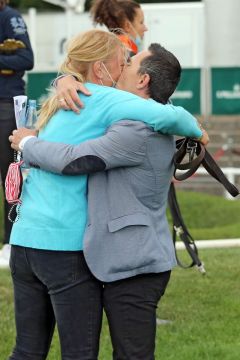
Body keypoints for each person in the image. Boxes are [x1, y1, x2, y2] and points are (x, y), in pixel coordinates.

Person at [9, 31, 208, 359]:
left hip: (24, 239)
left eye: (129, 63)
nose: (124, 68)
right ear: (101, 70)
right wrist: (198, 129)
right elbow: (171, 115)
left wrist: (63, 82)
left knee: (27, 351)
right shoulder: (105, 99)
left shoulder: (65, 97)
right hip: (64, 246)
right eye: (122, 62)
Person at [0, 0, 34, 268]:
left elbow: (26, 59)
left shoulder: (8, 16)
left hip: (5, 103)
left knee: (10, 176)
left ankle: (13, 241)